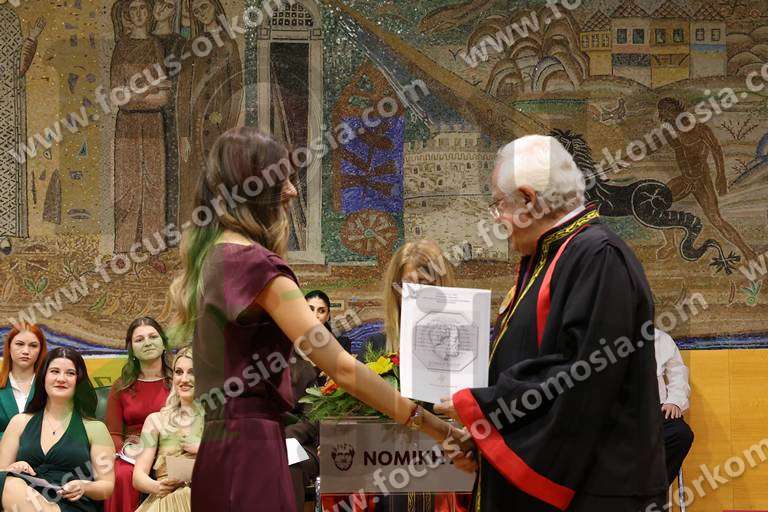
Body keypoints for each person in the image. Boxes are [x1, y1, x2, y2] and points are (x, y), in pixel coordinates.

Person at [166, 126, 467, 512]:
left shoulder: (213, 257)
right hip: (253, 452)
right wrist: (437, 428)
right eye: (283, 179)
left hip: (217, 449)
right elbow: (341, 367)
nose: (292, 191)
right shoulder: (256, 265)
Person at [436, 135, 667, 511]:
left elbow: (580, 377)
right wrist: (485, 439)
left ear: (528, 200)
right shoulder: (554, 255)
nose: (496, 218)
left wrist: (486, 406)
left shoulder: (598, 256)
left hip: (597, 491)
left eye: (499, 204)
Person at [0, 347, 115, 511]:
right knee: (10, 483)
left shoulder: (95, 428)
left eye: (70, 373)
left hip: (70, 504)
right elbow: (2, 472)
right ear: (43, 377)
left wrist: (84, 486)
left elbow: (106, 486)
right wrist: (16, 467)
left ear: (79, 380)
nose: (61, 378)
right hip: (23, 497)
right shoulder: (19, 422)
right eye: (54, 371)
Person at [110, 0, 169, 253]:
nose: (138, 14)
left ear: (149, 12)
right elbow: (117, 95)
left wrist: (134, 96)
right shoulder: (121, 47)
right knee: (127, 182)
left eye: (143, 8)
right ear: (127, 14)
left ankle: (153, 246)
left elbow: (164, 95)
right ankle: (125, 246)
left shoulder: (155, 46)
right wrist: (147, 95)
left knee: (154, 181)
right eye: (133, 9)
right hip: (127, 125)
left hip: (153, 123)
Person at [104, 318, 172, 512]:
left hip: (171, 449)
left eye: (153, 337)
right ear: (132, 349)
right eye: (139, 339)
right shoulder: (121, 386)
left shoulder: (180, 380)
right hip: (133, 453)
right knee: (121, 474)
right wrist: (129, 451)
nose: (147, 343)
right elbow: (113, 434)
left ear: (163, 343)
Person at [134, 346, 203, 512]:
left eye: (192, 372)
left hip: (206, 495)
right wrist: (157, 486)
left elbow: (235, 463)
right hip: (165, 500)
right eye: (179, 372)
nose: (184, 379)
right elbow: (138, 477)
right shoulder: (156, 420)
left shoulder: (217, 419)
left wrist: (204, 450)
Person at [654, 329, 694, 485]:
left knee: (681, 434)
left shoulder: (660, 338)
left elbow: (678, 374)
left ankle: (653, 489)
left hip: (655, 409)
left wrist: (674, 401)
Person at [0, 323, 47, 438]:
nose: (26, 351)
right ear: (9, 347)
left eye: (33, 346)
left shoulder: (48, 386)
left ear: (40, 350)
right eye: (19, 344)